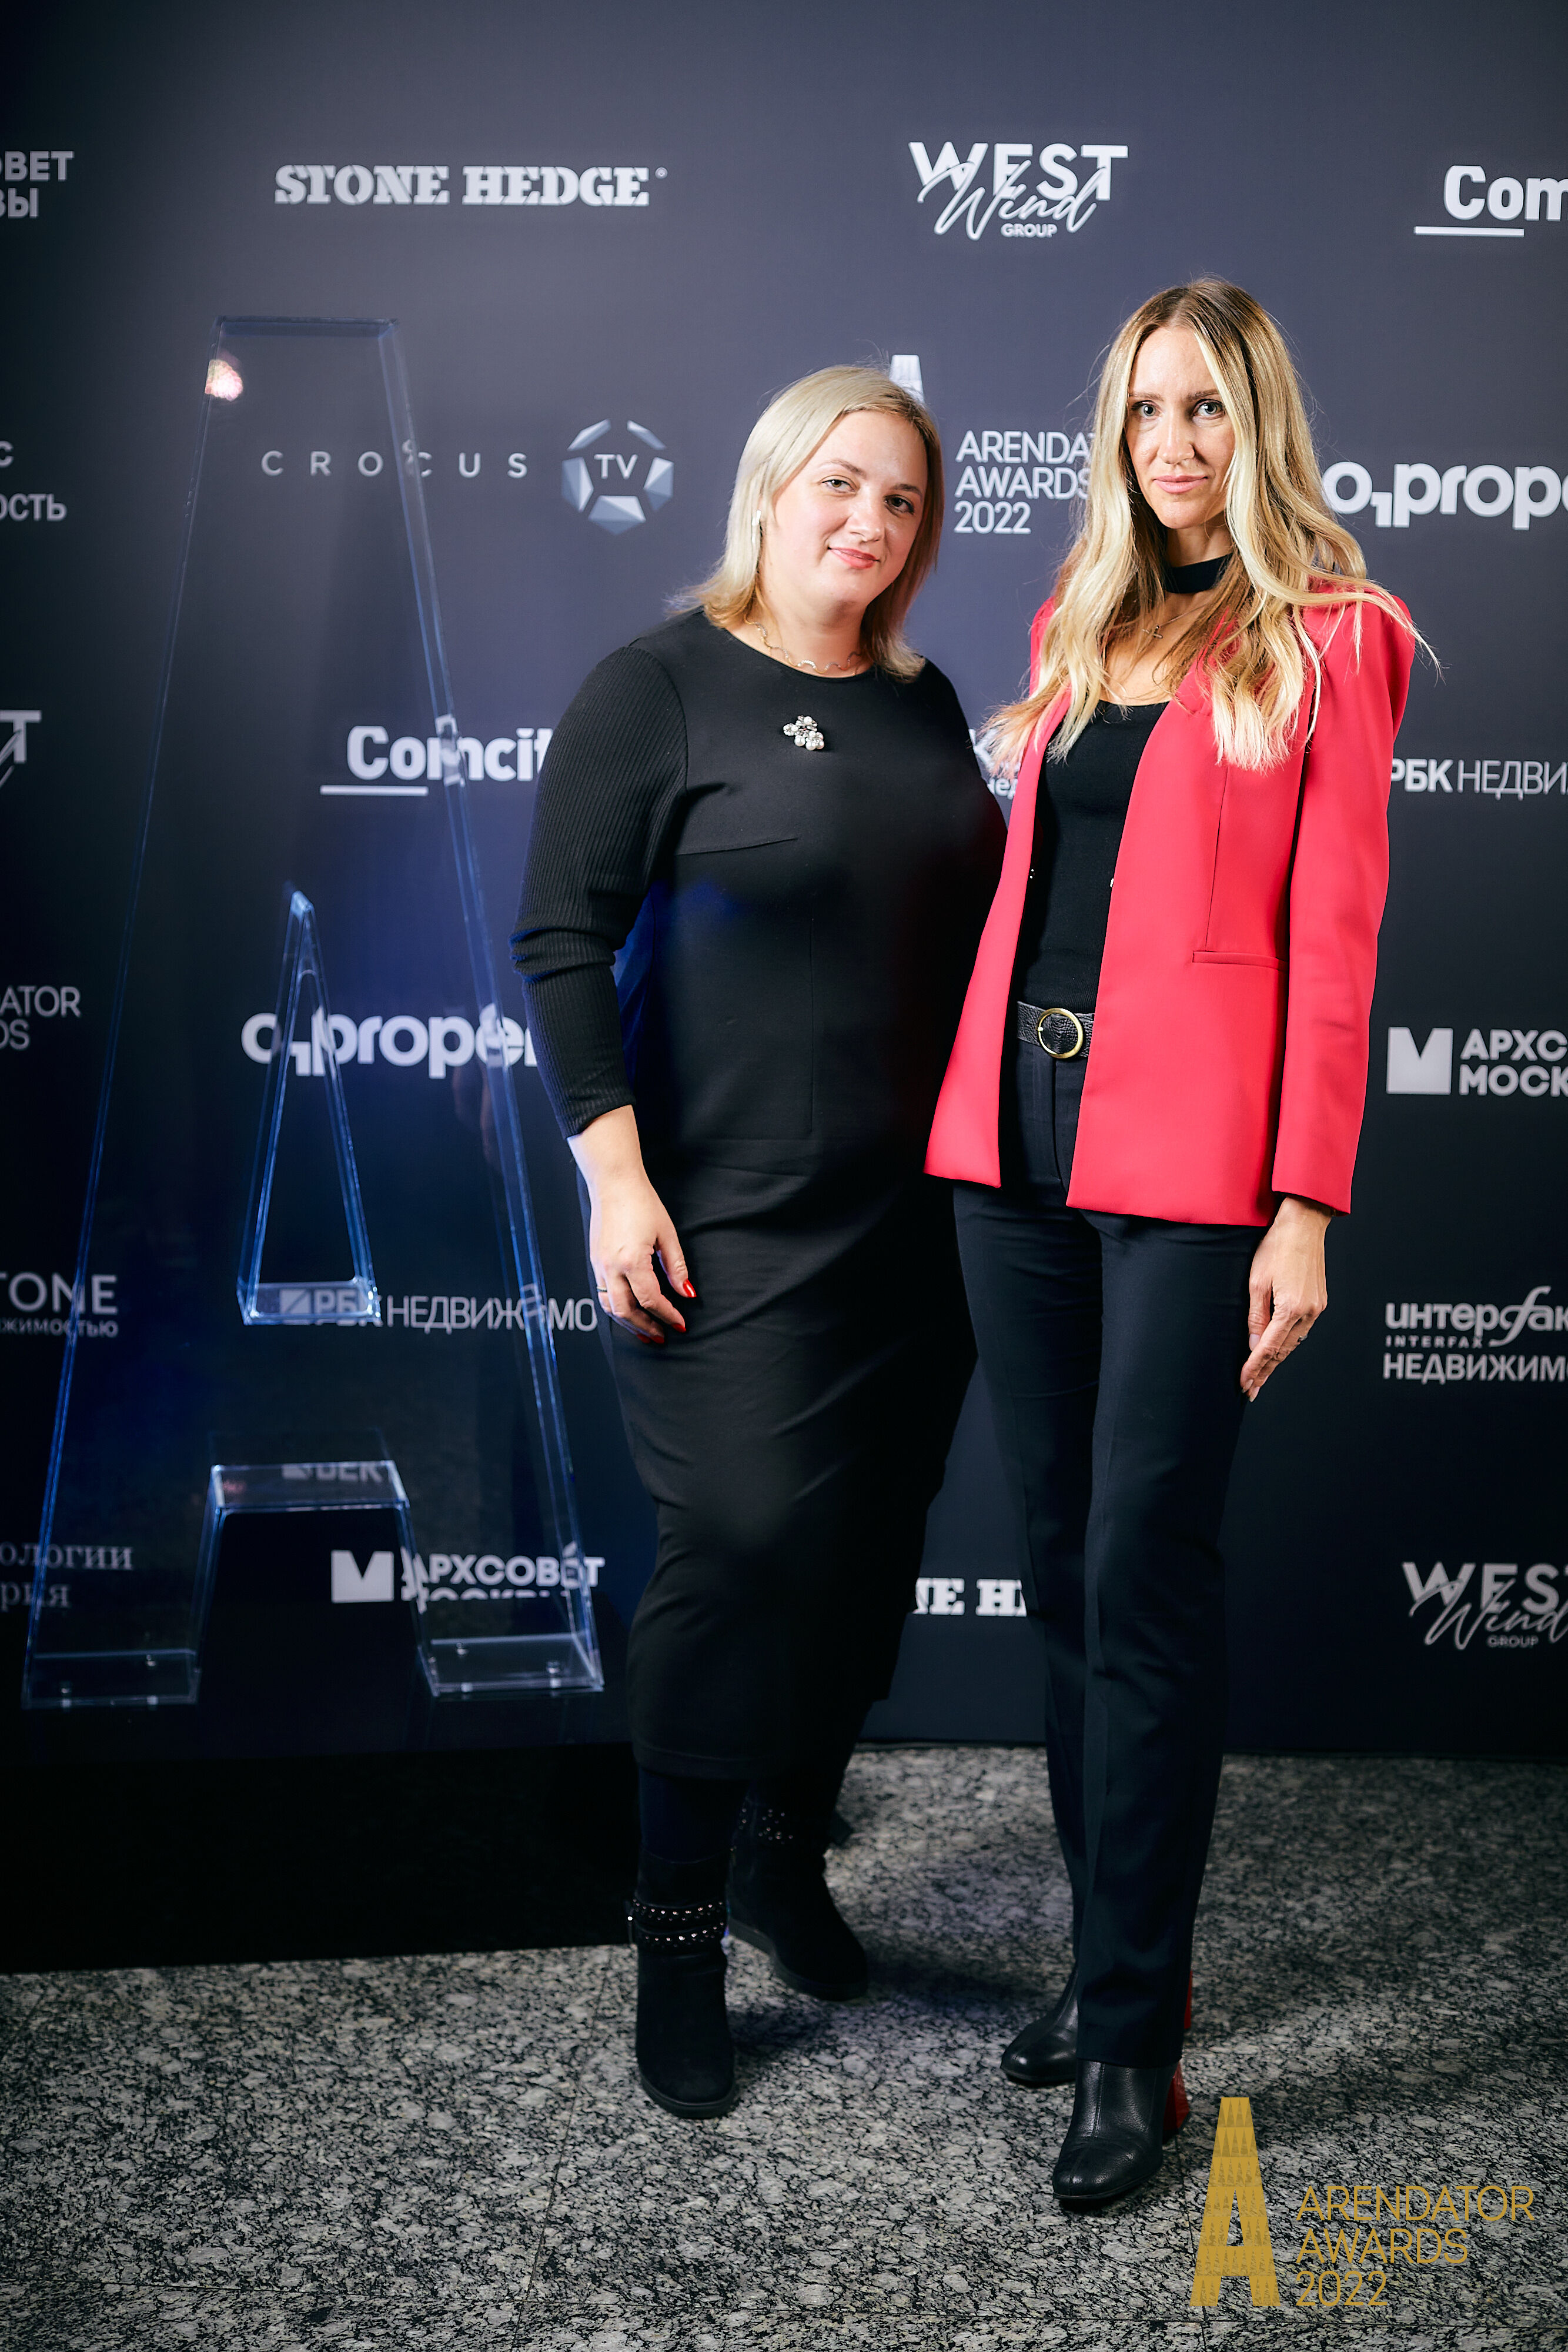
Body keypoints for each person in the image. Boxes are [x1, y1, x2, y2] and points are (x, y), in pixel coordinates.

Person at [926, 281, 1417, 2207]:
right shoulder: (1081, 616)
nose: (1173, 443)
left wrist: (1306, 1202)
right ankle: (1105, 1957)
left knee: (1142, 1572)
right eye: (1144, 410)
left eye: (1205, 407)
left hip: (1198, 1166)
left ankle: (1135, 2037)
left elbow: (1334, 941)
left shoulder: (1335, 635)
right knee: (1061, 1566)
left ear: (1258, 421)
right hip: (1015, 1142)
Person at [512, 366, 1004, 2118]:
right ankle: (675, 1937)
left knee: (862, 1553)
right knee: (736, 1546)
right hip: (718, 1214)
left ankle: (788, 1861)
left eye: (901, 500)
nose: (868, 520)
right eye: (839, 484)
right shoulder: (657, 686)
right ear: (771, 487)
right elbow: (562, 936)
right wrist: (614, 1177)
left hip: (916, 1221)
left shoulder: (923, 698)